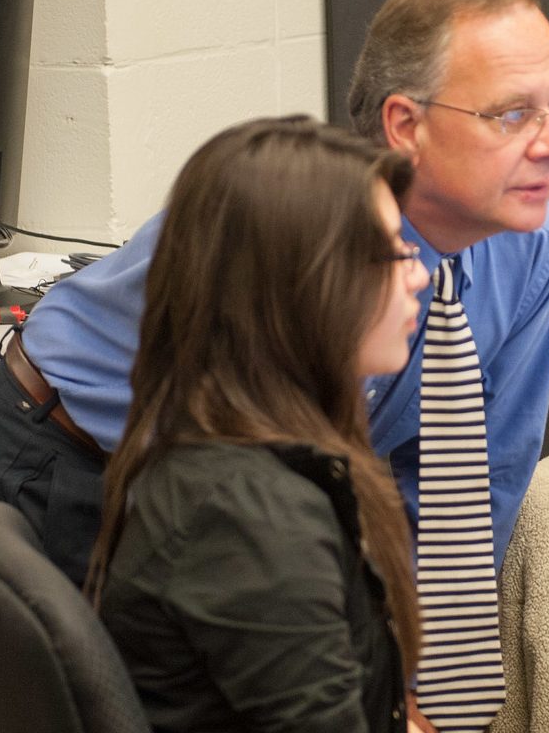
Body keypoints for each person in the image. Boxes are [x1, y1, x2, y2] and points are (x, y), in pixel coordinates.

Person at [0, 0, 549, 730]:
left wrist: (415, 681)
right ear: (405, 126)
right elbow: (226, 501)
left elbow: (472, 476)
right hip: (86, 442)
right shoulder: (284, 235)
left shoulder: (536, 242)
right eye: (512, 115)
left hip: (254, 495)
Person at [87, 115, 426, 732]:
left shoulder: (237, 451)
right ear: (300, 286)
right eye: (392, 254)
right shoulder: (247, 516)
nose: (419, 275)